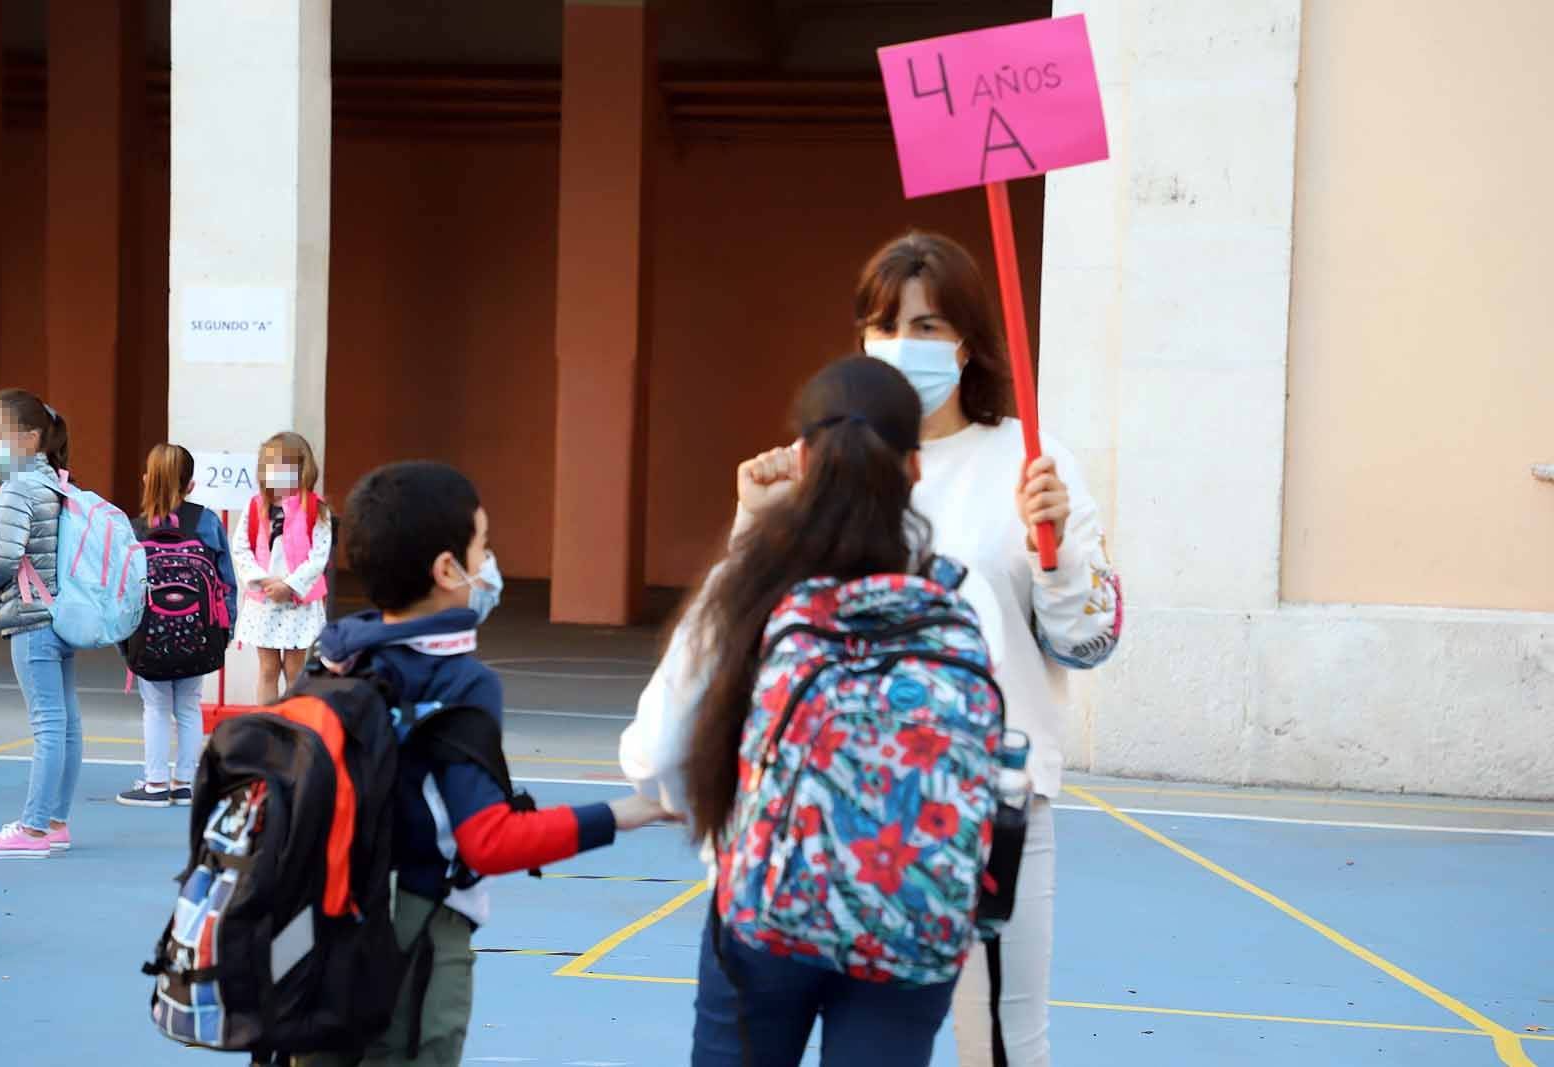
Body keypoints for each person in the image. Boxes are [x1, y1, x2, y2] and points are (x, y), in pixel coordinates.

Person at [738, 231, 1123, 1067]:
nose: (904, 346)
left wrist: (1054, 548)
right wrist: (755, 522)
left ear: (968, 340)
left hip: (994, 802)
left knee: (1003, 1046)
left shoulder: (1030, 462)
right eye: (885, 325)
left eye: (927, 325)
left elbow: (1089, 640)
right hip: (847, 805)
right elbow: (752, 637)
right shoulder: (826, 465)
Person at [622, 357, 1010, 1067]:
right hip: (910, 918)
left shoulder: (750, 590)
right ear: (916, 468)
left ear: (800, 458)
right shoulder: (962, 600)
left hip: (766, 904)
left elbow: (656, 751)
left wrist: (747, 531)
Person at [296, 460, 669, 1067]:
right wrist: (633, 811)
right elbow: (488, 841)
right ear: (448, 570)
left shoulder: (331, 663)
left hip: (314, 934)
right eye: (482, 547)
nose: (488, 563)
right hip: (412, 942)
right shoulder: (458, 680)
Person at [0, 389, 79, 859]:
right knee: (66, 721)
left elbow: (6, 557)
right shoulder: (55, 481)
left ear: (30, 438)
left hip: (30, 618)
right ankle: (54, 822)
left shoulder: (15, 489)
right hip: (62, 614)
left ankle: (32, 830)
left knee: (48, 724)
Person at [117, 443, 238, 808]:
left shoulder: (134, 529)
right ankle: (184, 783)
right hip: (198, 633)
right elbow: (226, 581)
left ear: (146, 481)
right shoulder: (206, 522)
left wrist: (125, 639)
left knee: (155, 707)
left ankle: (155, 784)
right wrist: (224, 629)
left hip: (148, 636)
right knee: (188, 705)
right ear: (192, 485)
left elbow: (122, 591)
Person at [231, 431, 333, 703]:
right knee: (267, 668)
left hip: (298, 602)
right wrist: (262, 582)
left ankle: (292, 726)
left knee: (294, 669)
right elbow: (241, 548)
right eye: (270, 465)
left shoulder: (315, 508)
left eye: (284, 466)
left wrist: (289, 586)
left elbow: (318, 556)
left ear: (302, 468)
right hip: (264, 601)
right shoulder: (255, 506)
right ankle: (266, 726)